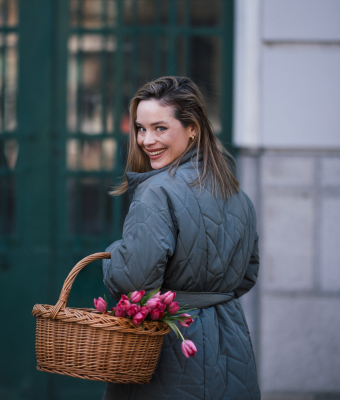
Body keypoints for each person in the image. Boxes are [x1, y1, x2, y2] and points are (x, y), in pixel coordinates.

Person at [102, 76, 260, 399]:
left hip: (171, 347)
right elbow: (247, 275)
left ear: (193, 129)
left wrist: (115, 253)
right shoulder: (236, 194)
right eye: (140, 128)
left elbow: (134, 281)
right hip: (230, 344)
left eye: (160, 128)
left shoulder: (155, 193)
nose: (146, 140)